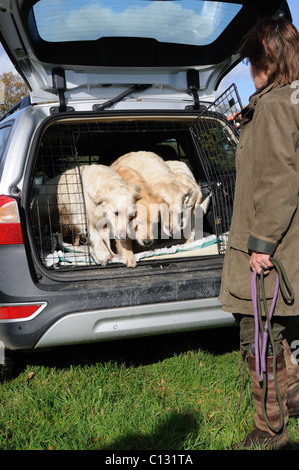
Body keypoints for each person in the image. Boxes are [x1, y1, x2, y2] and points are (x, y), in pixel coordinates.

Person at [219, 17, 299, 450]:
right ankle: (293, 398)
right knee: (281, 332)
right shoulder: (290, 100)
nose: (250, 71)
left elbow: (278, 180)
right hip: (294, 244)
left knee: (259, 336)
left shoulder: (274, 107)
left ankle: (271, 433)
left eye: (252, 62)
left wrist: (260, 245)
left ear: (264, 63)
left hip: (272, 247)